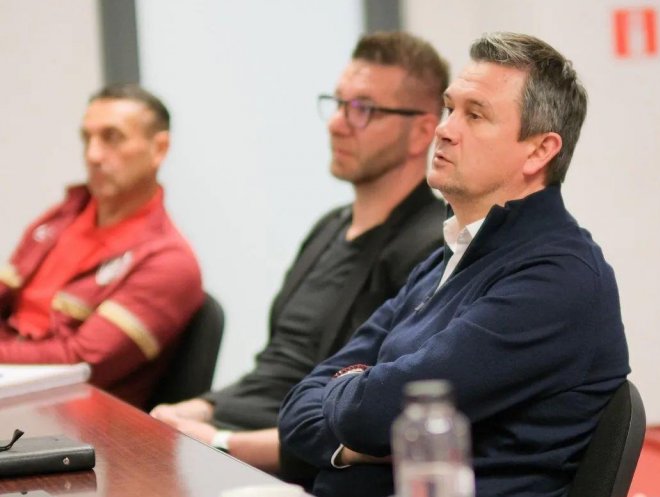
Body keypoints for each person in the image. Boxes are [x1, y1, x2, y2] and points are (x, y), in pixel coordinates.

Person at [278, 32, 631, 497]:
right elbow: (297, 410)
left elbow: (374, 413)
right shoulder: (447, 258)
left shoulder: (557, 279)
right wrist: (353, 441)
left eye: (475, 115)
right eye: (450, 109)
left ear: (539, 151)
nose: (445, 130)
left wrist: (356, 401)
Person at [150, 31, 448, 476]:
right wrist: (200, 409)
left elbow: (369, 413)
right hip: (247, 433)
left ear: (422, 131)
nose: (337, 123)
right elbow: (277, 370)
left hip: (297, 457)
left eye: (362, 108)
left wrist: (221, 442)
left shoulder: (431, 245)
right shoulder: (328, 228)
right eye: (338, 103)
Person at [0, 84, 204, 408]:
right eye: (87, 138)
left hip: (68, 416)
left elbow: (80, 361)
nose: (92, 155)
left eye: (112, 137)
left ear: (159, 148)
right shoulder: (63, 216)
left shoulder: (169, 262)